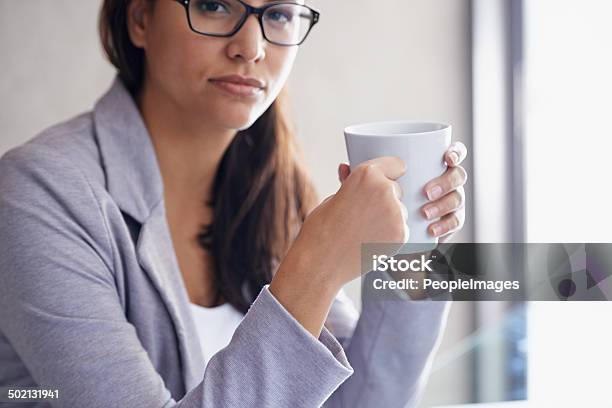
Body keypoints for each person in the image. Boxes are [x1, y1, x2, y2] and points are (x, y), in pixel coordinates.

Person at [0, 0, 468, 406]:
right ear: (140, 18)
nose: (251, 47)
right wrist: (316, 267)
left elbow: (363, 401)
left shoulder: (274, 190)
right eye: (214, 5)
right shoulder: (38, 194)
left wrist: (415, 241)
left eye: (280, 14)